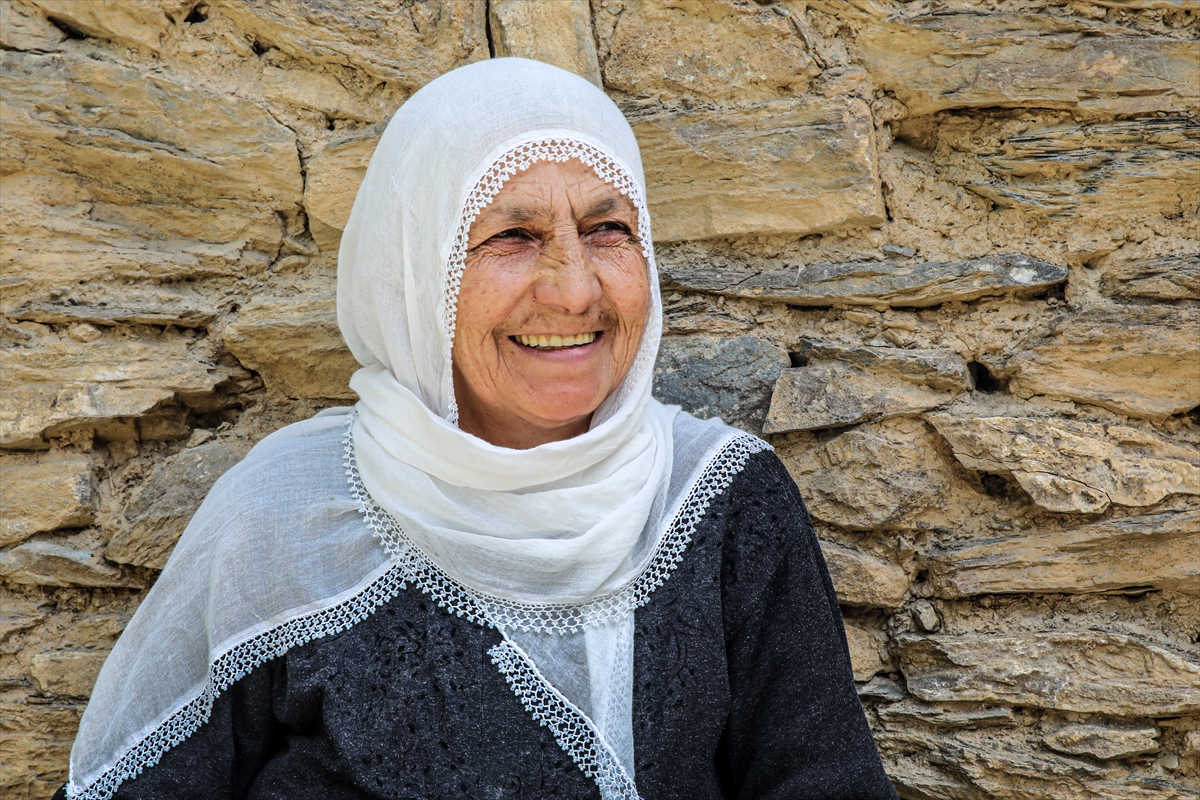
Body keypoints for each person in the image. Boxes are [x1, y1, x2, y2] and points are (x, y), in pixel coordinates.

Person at [56, 58, 898, 800]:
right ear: (418, 272)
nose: (573, 291)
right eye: (512, 236)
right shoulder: (290, 518)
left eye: (608, 230)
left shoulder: (721, 503)